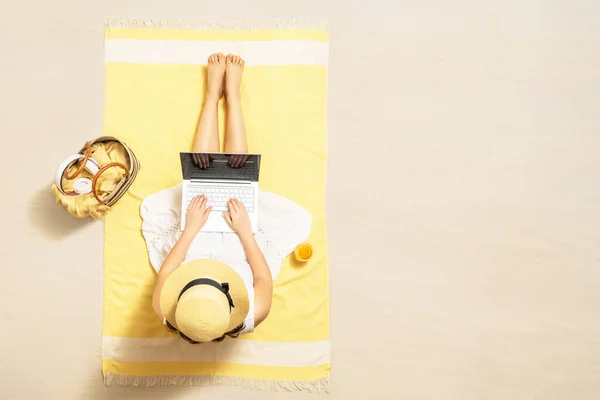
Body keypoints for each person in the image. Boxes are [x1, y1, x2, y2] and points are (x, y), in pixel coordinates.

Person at [151, 53, 273, 343]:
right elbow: (262, 279)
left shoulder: (164, 309)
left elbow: (168, 268)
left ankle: (211, 96)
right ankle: (232, 96)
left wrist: (191, 228)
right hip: (238, 240)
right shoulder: (256, 312)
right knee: (238, 176)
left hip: (193, 239)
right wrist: (244, 232)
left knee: (201, 179)